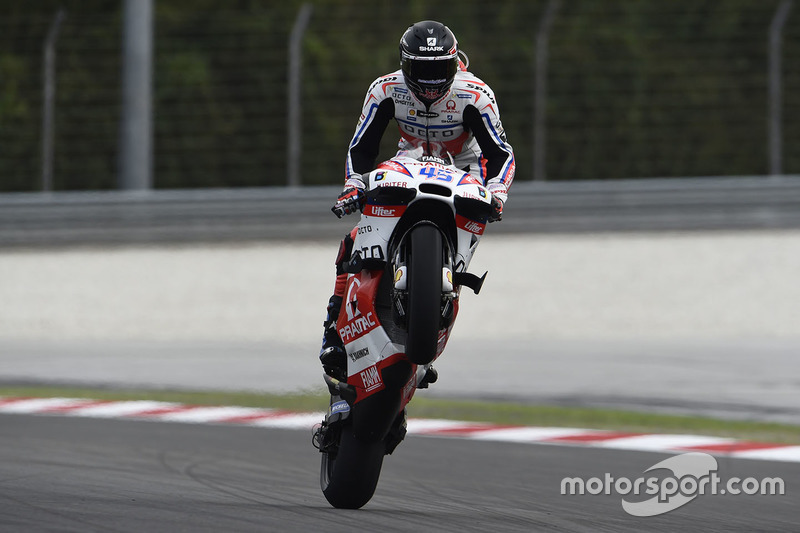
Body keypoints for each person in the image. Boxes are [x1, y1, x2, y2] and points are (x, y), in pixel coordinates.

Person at [319, 20, 516, 380]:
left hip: (464, 170)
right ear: (404, 65)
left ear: (455, 65)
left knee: (470, 235)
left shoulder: (476, 95)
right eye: (420, 70)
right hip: (407, 162)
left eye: (438, 69)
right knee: (355, 238)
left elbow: (501, 154)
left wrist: (497, 194)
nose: (428, 81)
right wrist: (353, 185)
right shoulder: (384, 89)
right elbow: (361, 147)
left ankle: (444, 289)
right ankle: (332, 329)